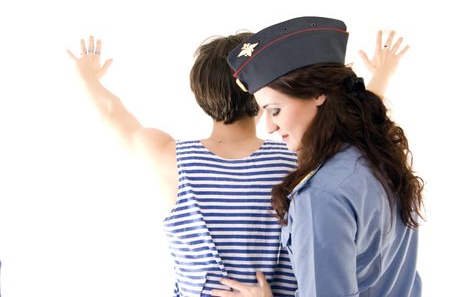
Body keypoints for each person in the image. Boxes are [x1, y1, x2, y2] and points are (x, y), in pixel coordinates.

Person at [66, 27, 399, 297]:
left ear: (200, 94)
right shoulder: (299, 157)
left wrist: (88, 79)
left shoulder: (168, 158)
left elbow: (112, 113)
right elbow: (350, 126)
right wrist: (380, 77)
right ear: (260, 92)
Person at [212, 16, 423, 297]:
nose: (270, 127)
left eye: (275, 110)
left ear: (317, 94)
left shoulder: (320, 196)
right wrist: (383, 74)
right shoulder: (377, 153)